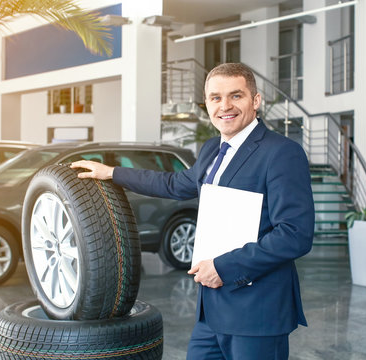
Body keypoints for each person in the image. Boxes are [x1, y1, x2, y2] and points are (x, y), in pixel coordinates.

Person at [71, 62, 314, 359]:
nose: (225, 106)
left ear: (256, 100)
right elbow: (175, 183)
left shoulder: (281, 152)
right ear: (207, 104)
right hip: (211, 311)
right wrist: (113, 173)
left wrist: (223, 268)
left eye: (236, 96)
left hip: (257, 311)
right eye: (215, 98)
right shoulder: (212, 149)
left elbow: (295, 235)